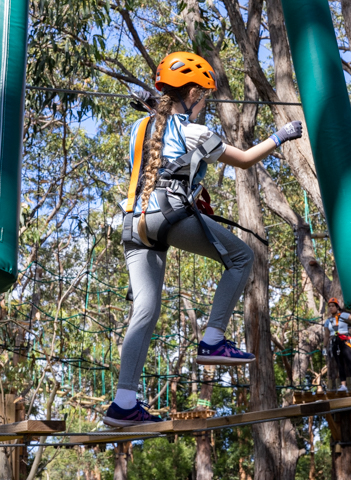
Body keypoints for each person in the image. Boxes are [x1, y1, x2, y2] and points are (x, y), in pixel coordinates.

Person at [103, 51, 304, 427]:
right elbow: (244, 159)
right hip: (168, 213)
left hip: (134, 222)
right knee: (242, 258)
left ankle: (123, 403)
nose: (204, 104)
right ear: (193, 93)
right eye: (204, 97)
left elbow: (158, 142)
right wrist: (280, 136)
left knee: (145, 310)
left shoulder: (139, 127)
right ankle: (213, 338)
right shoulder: (194, 131)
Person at [323, 297, 351, 392]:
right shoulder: (328, 321)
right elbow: (326, 335)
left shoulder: (344, 315)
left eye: (333, 306)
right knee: (339, 364)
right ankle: (343, 385)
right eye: (329, 306)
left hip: (344, 340)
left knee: (350, 361)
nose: (331, 308)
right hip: (334, 342)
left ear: (337, 307)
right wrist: (324, 347)